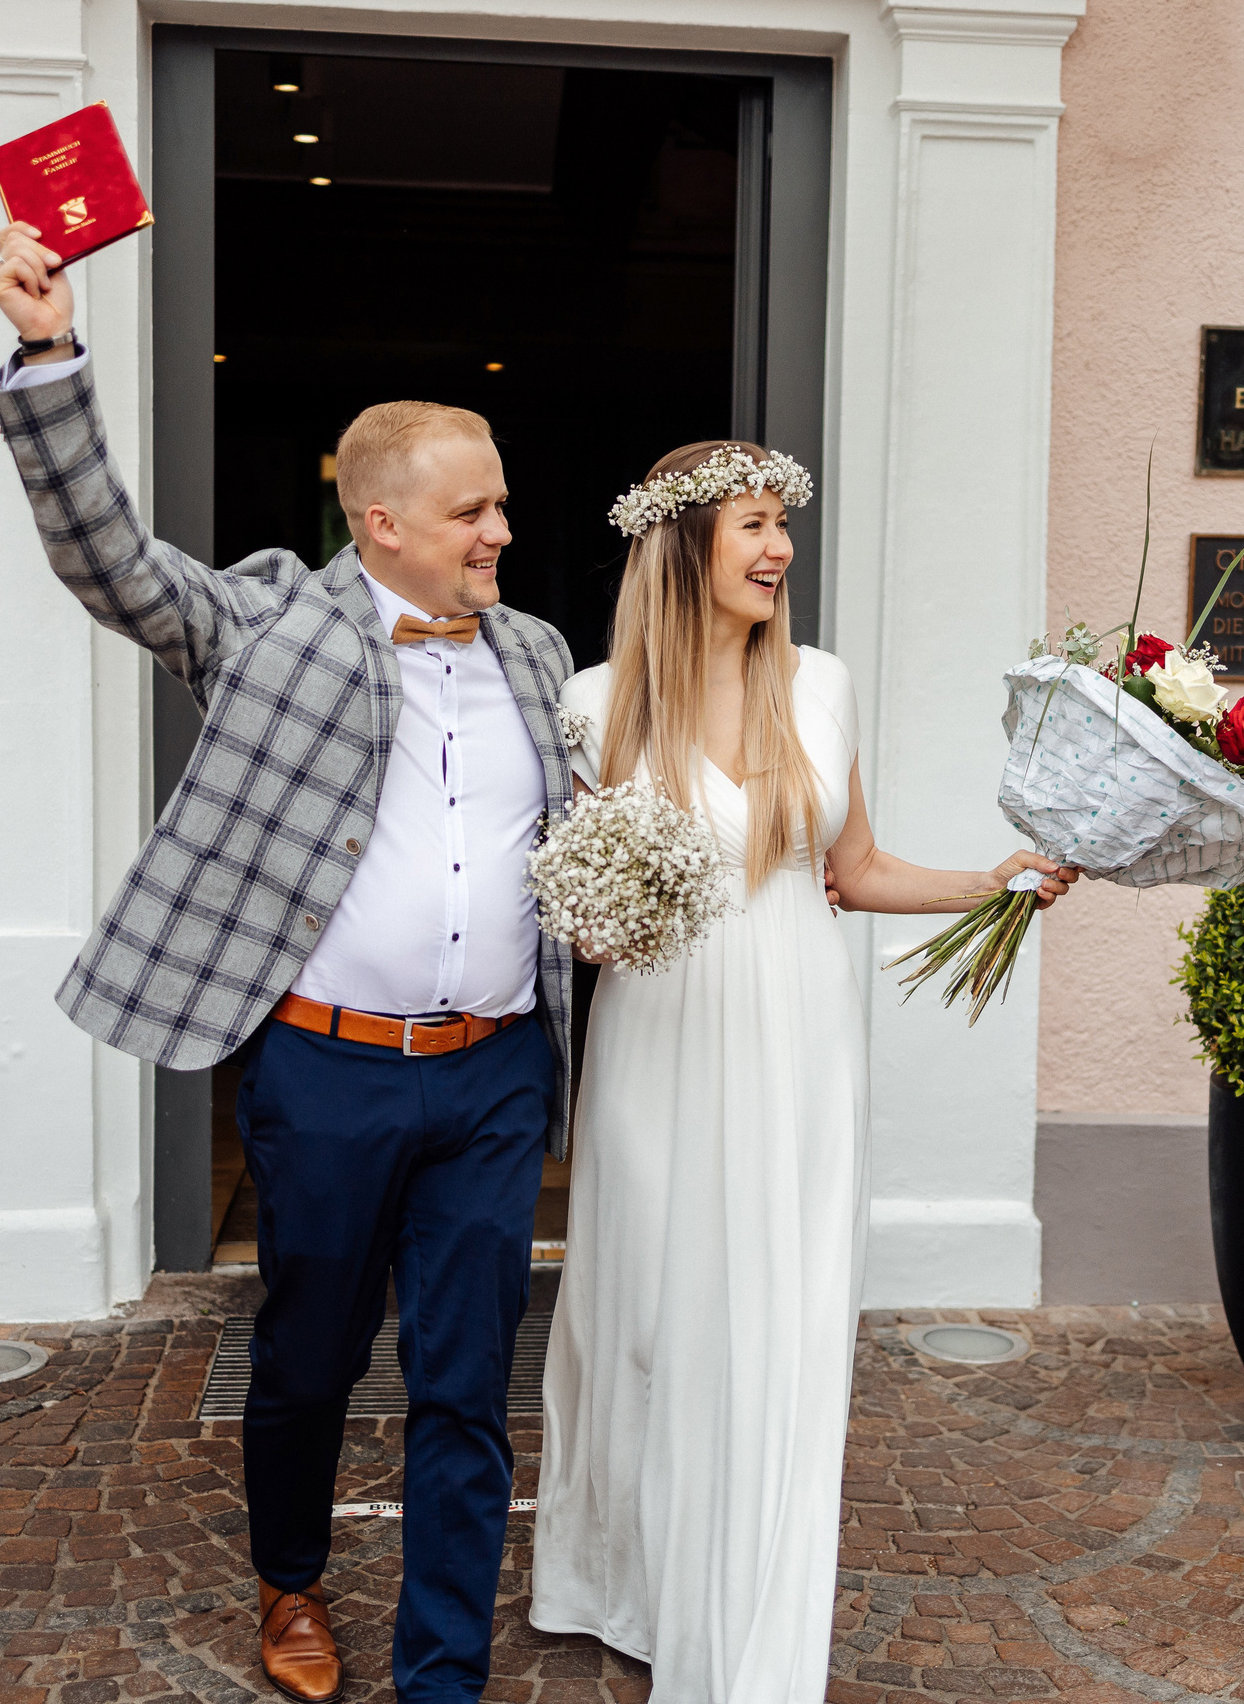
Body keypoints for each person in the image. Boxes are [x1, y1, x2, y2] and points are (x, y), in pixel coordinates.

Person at [0, 222, 574, 1704]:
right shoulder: (265, 619)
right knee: (309, 1358)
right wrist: (52, 357)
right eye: (470, 511)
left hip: (497, 1072)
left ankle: (439, 1666)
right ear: (378, 518)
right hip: (324, 1071)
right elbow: (109, 560)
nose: (500, 531)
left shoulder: (542, 655)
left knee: (465, 1378)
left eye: (502, 505)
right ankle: (291, 1577)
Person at [529, 442, 1079, 1702]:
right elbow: (579, 917)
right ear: (683, 547)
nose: (779, 550)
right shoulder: (597, 702)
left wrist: (990, 884)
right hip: (662, 1037)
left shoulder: (818, 687)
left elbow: (854, 871)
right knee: (652, 1310)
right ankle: (629, 1580)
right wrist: (595, 919)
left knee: (777, 1311)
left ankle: (753, 1610)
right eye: (754, 527)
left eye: (783, 526)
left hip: (800, 1035)